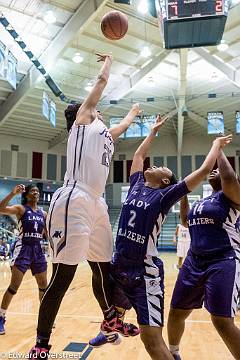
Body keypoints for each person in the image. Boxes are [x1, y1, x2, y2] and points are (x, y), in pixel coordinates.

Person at [29, 53, 142, 358]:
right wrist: (109, 60)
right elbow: (102, 81)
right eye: (94, 106)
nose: (99, 109)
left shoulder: (104, 134)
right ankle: (41, 343)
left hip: (97, 203)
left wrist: (133, 112)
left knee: (102, 267)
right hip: (73, 200)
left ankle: (110, 318)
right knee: (62, 277)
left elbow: (121, 128)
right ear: (83, 112)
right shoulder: (84, 121)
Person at [92, 113, 232, 360]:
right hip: (121, 264)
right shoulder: (136, 183)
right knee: (112, 308)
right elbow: (138, 156)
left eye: (161, 168)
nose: (154, 166)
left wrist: (215, 146)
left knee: (151, 340)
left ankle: (119, 331)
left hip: (145, 274)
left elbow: (204, 170)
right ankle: (112, 330)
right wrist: (153, 132)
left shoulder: (164, 196)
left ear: (166, 180)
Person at [167, 157, 240, 359]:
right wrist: (183, 193)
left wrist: (219, 152)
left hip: (222, 259)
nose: (215, 171)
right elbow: (185, 221)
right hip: (194, 261)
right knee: (176, 312)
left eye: (219, 171)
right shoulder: (202, 202)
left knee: (221, 321)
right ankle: (173, 353)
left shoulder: (233, 197)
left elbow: (229, 177)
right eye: (213, 170)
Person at [0, 184, 47, 335]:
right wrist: (12, 193)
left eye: (37, 191)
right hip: (23, 249)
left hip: (38, 250)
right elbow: (1, 209)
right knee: (14, 286)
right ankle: (1, 317)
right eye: (33, 190)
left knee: (43, 287)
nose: (35, 193)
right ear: (27, 194)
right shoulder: (21, 209)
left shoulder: (43, 213)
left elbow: (47, 233)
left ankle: (45, 318)